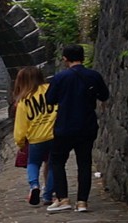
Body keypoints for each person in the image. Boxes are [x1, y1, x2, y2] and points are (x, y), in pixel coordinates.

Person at [43, 43, 110, 213]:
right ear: (83, 57)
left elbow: (49, 99)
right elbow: (104, 95)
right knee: (84, 163)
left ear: (65, 59)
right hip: (87, 126)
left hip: (64, 126)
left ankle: (63, 198)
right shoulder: (93, 76)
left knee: (57, 162)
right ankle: (82, 202)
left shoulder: (60, 78)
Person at [11, 65, 56, 207]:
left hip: (36, 138)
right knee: (53, 165)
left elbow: (20, 125)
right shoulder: (51, 90)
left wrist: (20, 142)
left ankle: (34, 185)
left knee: (33, 163)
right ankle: (48, 195)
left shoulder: (23, 101)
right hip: (54, 135)